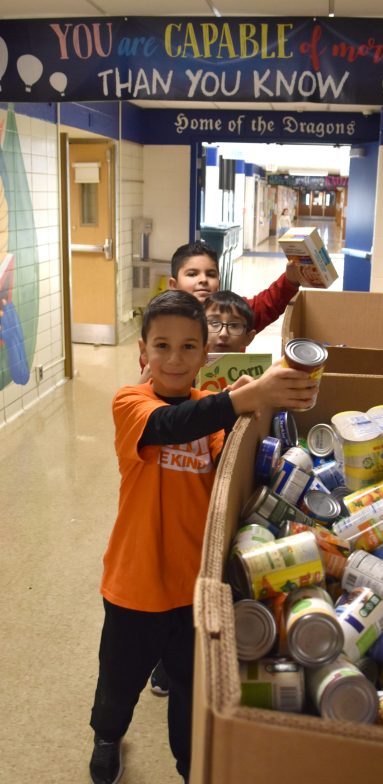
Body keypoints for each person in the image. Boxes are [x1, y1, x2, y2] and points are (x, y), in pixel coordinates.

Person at [89, 290, 316, 784]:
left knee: (191, 694)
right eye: (162, 346)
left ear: (203, 354)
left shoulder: (211, 412)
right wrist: (241, 399)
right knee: (118, 681)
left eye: (189, 347)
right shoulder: (130, 403)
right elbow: (170, 426)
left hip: (195, 589)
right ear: (142, 352)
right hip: (135, 584)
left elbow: (228, 462)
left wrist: (246, 410)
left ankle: (192, 776)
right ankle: (107, 737)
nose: (175, 359)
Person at [149, 290, 256, 698]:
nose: (224, 333)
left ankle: (182, 671)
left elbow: (224, 450)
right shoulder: (150, 392)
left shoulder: (239, 380)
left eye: (234, 326)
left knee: (187, 604)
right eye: (215, 323)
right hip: (154, 533)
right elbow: (166, 422)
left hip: (201, 517)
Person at [168, 240, 300, 333]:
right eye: (192, 274)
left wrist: (290, 280)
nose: (203, 280)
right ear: (174, 285)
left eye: (211, 274)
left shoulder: (235, 312)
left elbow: (268, 304)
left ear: (218, 282)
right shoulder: (162, 322)